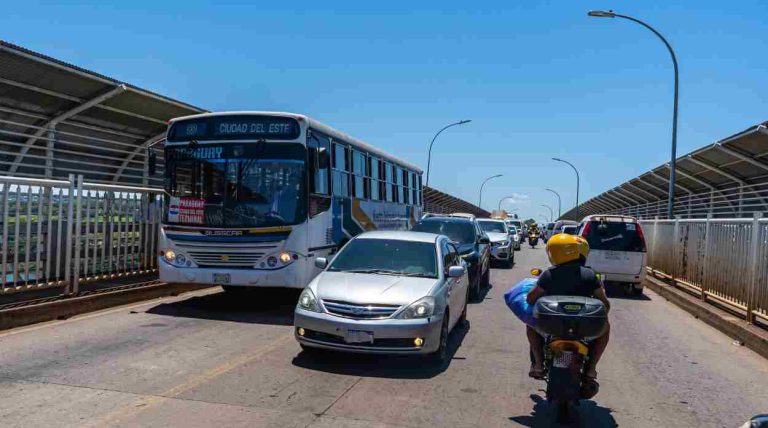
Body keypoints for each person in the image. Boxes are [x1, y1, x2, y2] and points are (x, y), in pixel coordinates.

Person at [525, 233, 611, 380]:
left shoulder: (549, 274)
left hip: (553, 325)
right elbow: (605, 305)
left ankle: (538, 364)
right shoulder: (590, 275)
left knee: (530, 325)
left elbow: (531, 299)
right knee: (606, 328)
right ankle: (591, 369)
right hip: (582, 326)